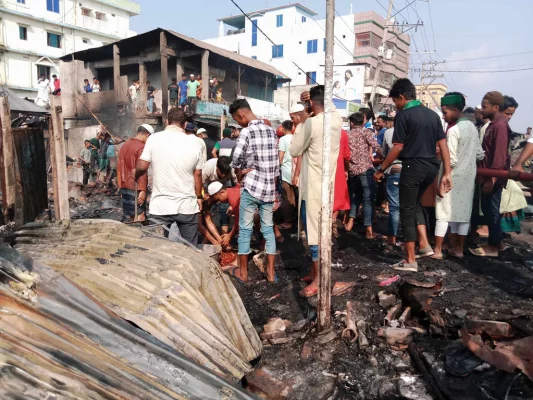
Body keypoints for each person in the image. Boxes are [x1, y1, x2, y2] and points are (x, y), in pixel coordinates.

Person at [374, 78, 452, 272]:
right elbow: (443, 145)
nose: (396, 107)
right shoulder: (433, 115)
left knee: (406, 212)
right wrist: (447, 173)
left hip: (412, 167)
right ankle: (424, 246)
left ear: (401, 97)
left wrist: (381, 169)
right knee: (415, 203)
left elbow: (398, 147)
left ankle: (410, 260)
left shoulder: (404, 115)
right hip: (432, 168)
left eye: (395, 102)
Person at [289, 85, 342, 297]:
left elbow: (294, 150)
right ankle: (314, 273)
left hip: (311, 189)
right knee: (319, 232)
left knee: (314, 237)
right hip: (326, 186)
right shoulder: (336, 121)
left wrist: (302, 122)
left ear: (311, 104)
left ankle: (319, 281)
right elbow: (330, 108)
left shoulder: (310, 124)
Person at [135, 108, 205, 245]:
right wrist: (199, 197)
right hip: (187, 206)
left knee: (158, 248)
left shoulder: (154, 139)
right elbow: (198, 174)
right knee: (191, 249)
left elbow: (142, 167)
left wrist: (135, 173)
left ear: (167, 121)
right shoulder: (196, 142)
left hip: (161, 206)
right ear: (184, 125)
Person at [230, 99, 279, 283]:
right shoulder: (271, 130)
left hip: (251, 188)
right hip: (268, 189)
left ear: (241, 115)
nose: (238, 122)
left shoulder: (247, 131)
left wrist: (242, 169)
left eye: (236, 119)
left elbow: (235, 159)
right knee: (268, 230)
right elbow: (276, 164)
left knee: (245, 230)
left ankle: (243, 273)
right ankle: (271, 274)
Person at [432, 93, 484, 259]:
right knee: (462, 215)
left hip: (451, 177)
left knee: (443, 213)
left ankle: (438, 250)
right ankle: (459, 250)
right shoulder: (473, 129)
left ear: (455, 110)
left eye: (445, 112)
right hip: (468, 179)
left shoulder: (453, 130)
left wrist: (442, 172)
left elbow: (451, 159)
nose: (444, 116)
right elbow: (480, 154)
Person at [469, 92, 511, 258]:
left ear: (495, 107)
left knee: (491, 212)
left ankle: (493, 247)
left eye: (485, 106)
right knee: (489, 210)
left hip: (492, 178)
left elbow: (499, 157)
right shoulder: (494, 125)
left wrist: (491, 179)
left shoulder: (500, 127)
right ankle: (498, 244)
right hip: (488, 177)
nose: (482, 109)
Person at [345, 112, 380, 239]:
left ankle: (350, 222)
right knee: (368, 199)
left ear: (352, 123)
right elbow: (376, 147)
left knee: (355, 196)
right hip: (366, 169)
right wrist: (386, 159)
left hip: (352, 170)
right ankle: (369, 230)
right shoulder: (366, 132)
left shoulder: (347, 135)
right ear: (363, 122)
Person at [118, 124, 153, 222]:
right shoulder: (142, 147)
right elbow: (141, 170)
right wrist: (142, 190)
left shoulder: (125, 145)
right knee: (140, 215)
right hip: (136, 186)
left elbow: (120, 167)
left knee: (132, 215)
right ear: (148, 135)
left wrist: (120, 185)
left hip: (125, 184)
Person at [381, 115, 401, 246]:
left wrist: (380, 170)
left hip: (394, 170)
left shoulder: (389, 132)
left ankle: (392, 237)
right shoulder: (414, 131)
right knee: (410, 207)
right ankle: (410, 239)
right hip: (413, 172)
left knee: (394, 207)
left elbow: (384, 153)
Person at [278, 119, 297, 229]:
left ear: (283, 129)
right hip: (296, 171)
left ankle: (288, 221)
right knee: (295, 197)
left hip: (286, 171)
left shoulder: (282, 139)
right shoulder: (296, 137)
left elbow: (281, 156)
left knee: (287, 197)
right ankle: (295, 220)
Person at [333, 127, 350, 238]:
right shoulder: (342, 132)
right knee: (338, 195)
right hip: (338, 168)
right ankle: (333, 220)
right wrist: (346, 169)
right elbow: (346, 155)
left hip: (318, 169)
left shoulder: (316, 127)